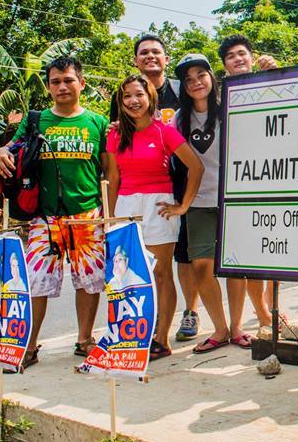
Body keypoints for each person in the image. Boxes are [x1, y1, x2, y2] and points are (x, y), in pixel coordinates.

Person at [0, 57, 110, 370]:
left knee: (88, 281)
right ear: (49, 86)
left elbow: (109, 171)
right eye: (55, 81)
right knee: (37, 283)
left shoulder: (98, 123)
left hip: (87, 215)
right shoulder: (35, 120)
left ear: (81, 83)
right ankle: (28, 346)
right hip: (44, 218)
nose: (62, 86)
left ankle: (85, 340)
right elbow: (11, 147)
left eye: (68, 80)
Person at [107, 33, 201, 343]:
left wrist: (183, 206)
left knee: (161, 274)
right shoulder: (115, 134)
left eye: (139, 95)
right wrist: (110, 218)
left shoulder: (164, 130)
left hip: (160, 204)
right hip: (125, 208)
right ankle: (133, 334)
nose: (134, 101)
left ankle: (161, 337)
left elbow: (195, 166)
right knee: (128, 275)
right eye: (127, 97)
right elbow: (112, 178)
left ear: (150, 98)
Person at [172, 53, 245, 351]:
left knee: (237, 266)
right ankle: (220, 329)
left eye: (200, 75)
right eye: (188, 79)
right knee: (202, 266)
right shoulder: (179, 119)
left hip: (234, 199)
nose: (195, 83)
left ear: (211, 77)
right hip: (199, 200)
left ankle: (238, 327)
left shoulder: (230, 109)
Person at [218, 34, 282, 337]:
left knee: (275, 249)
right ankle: (261, 313)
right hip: (240, 184)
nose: (238, 59)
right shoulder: (221, 98)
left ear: (251, 55)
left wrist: (275, 71)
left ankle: (268, 309)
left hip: (277, 176)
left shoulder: (268, 80)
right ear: (225, 65)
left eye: (242, 53)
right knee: (252, 256)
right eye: (230, 56)